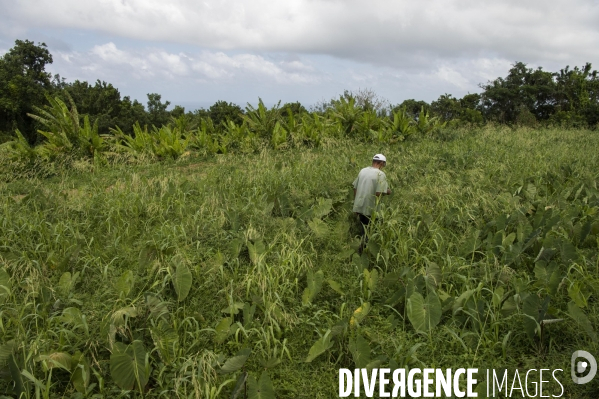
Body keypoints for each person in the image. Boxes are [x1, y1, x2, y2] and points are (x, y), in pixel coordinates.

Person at [352, 154, 391, 252]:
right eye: (383, 164)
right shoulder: (380, 174)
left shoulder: (363, 171)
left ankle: (360, 251)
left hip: (360, 206)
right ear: (381, 163)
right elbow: (378, 193)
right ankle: (365, 253)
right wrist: (387, 191)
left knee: (363, 231)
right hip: (371, 209)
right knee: (370, 233)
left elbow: (355, 188)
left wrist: (356, 205)